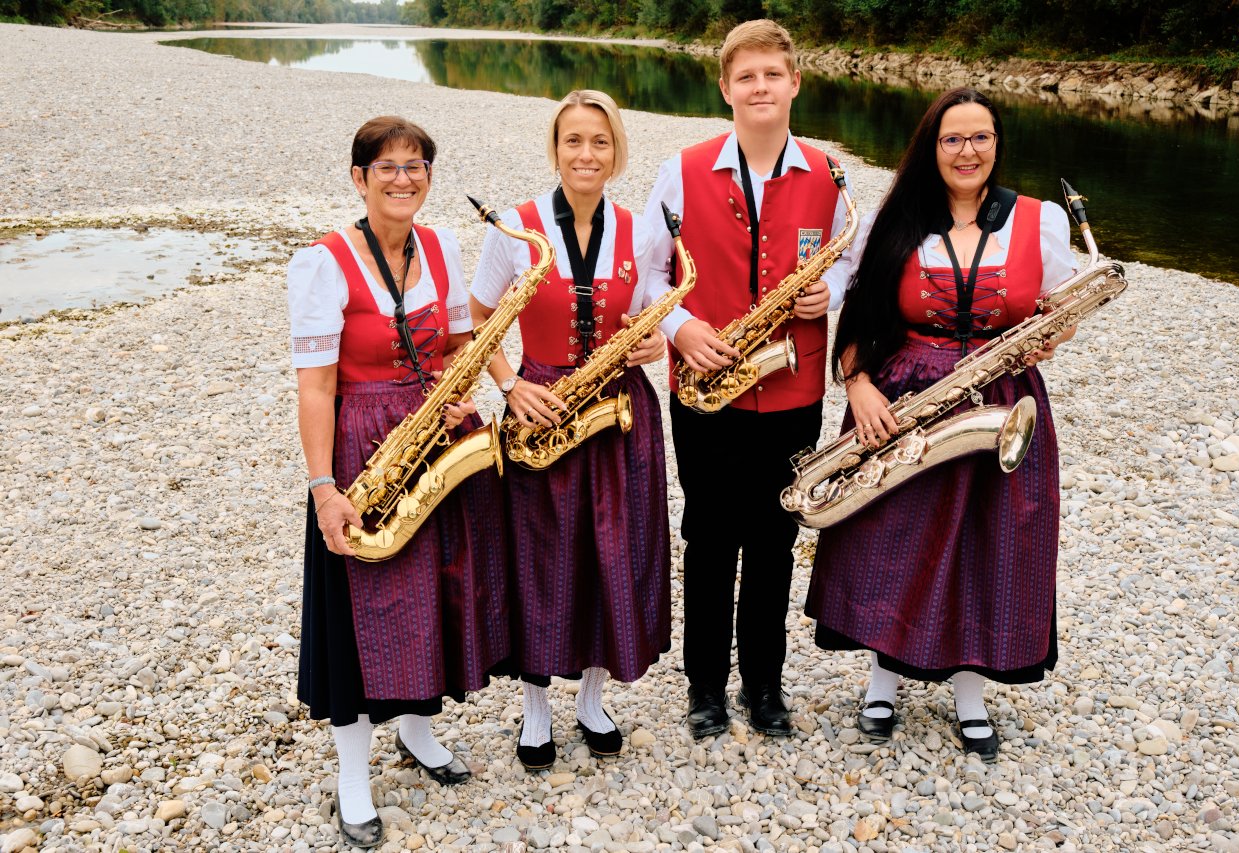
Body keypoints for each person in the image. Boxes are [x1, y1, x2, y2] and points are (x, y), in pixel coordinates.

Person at [808, 87, 1077, 762]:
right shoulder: (894, 220)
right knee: (892, 534)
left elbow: (1052, 312)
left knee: (990, 540)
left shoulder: (1039, 222)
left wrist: (1048, 335)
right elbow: (861, 316)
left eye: (979, 137)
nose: (967, 151)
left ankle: (969, 690)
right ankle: (883, 677)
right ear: (932, 146)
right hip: (902, 397)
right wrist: (859, 383)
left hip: (1003, 397)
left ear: (997, 144)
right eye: (952, 139)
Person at [289, 116, 509, 847]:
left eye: (416, 165)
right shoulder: (323, 262)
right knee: (359, 606)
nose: (403, 178)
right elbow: (317, 388)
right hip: (361, 444)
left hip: (430, 436)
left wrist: (458, 387)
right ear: (359, 177)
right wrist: (324, 486)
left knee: (433, 590)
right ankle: (353, 774)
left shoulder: (440, 245)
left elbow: (451, 344)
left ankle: (417, 729)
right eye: (387, 166)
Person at [642, 19, 854, 739]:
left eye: (772, 74)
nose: (759, 87)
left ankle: (766, 685)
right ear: (726, 88)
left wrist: (835, 294)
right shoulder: (682, 168)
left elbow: (854, 261)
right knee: (706, 534)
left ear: (795, 82)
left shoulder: (830, 173)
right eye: (746, 77)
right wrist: (682, 328)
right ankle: (705, 687)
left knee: (775, 538)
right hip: (705, 386)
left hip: (793, 391)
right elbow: (647, 275)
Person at [470, 90, 671, 770]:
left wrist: (652, 344)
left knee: (610, 554)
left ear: (617, 153)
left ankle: (590, 699)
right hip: (541, 412)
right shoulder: (518, 228)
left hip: (617, 411)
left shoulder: (640, 229)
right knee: (536, 560)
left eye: (600, 141)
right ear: (555, 149)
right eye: (574, 141)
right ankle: (534, 711)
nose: (587, 154)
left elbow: (649, 316)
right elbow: (475, 321)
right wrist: (509, 383)